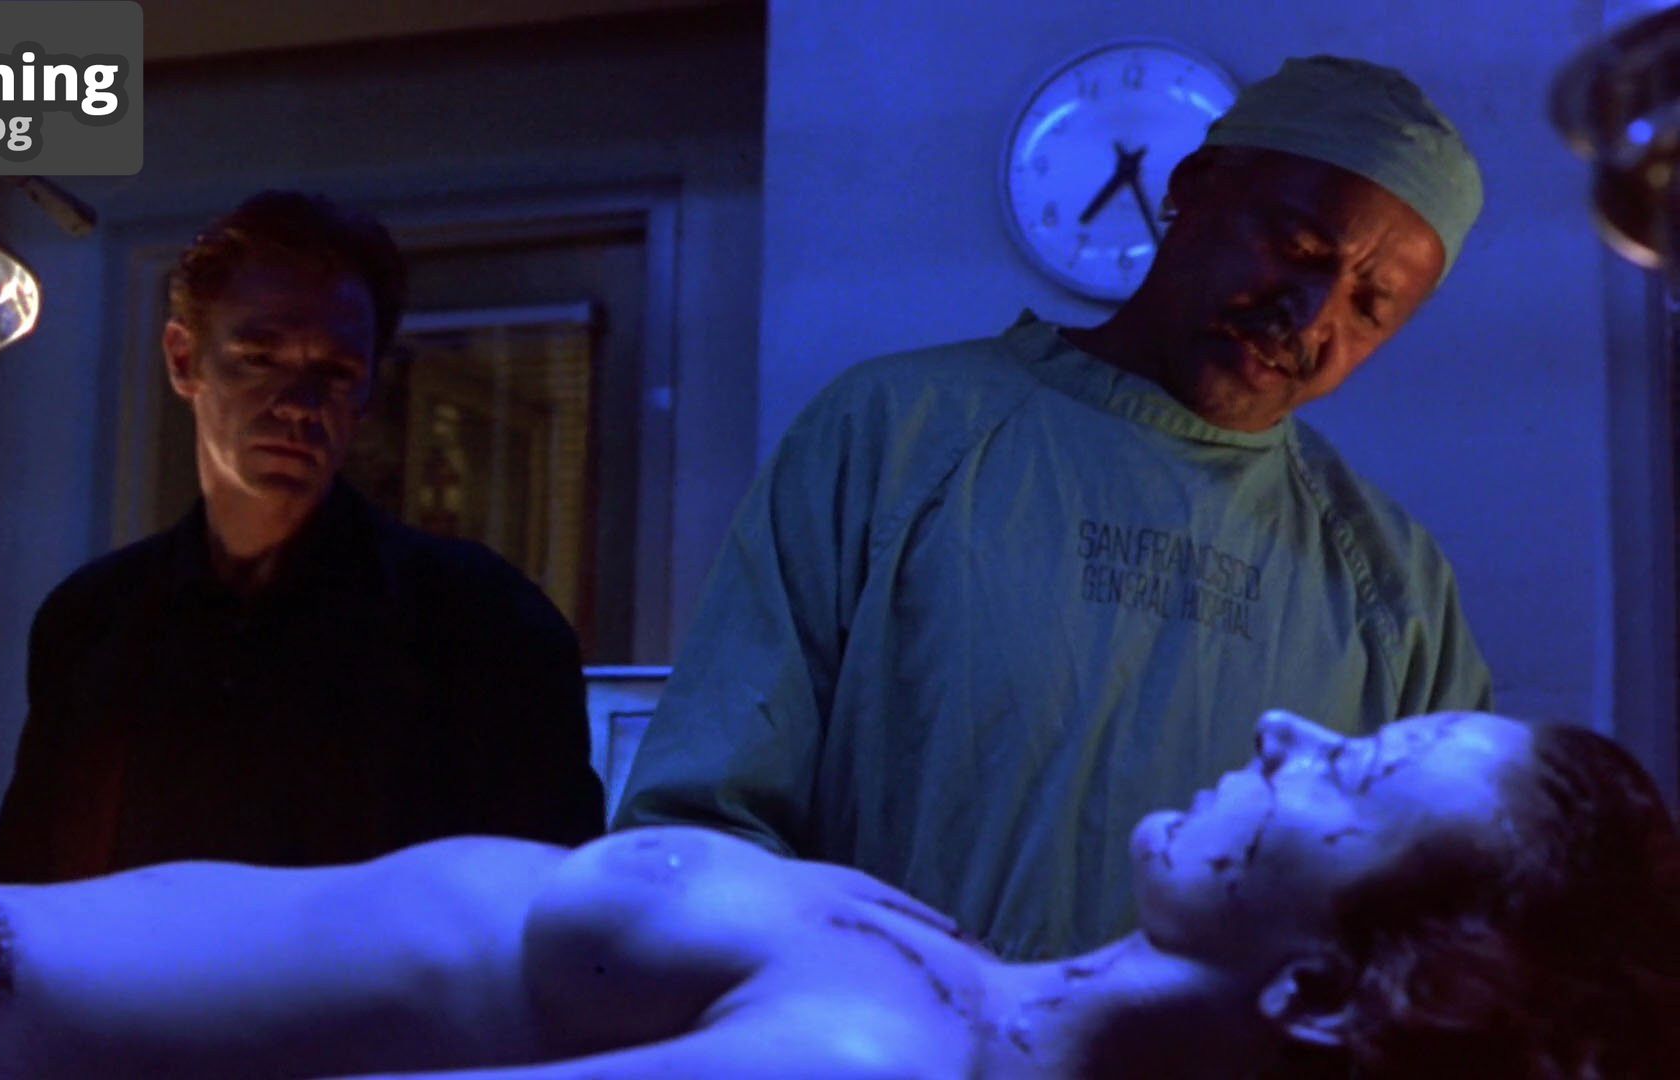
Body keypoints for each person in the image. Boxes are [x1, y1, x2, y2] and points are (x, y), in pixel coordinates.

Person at [615, 55, 1497, 960]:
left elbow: (1447, 937)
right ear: (1191, 187)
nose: (1309, 320)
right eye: (1300, 250)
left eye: (1369, 308)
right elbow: (702, 835)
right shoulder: (898, 436)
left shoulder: (1394, 589)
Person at [0, 712, 1675, 1078]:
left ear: (1332, 995)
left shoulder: (865, 1063)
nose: (1286, 729)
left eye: (1355, 777)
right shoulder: (948, 971)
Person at [0, 192, 605, 883]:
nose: (298, 405)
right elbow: (27, 898)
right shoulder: (93, 622)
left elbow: (544, 902)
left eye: (334, 373)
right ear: (184, 360)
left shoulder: (483, 622)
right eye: (259, 358)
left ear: (367, 389)